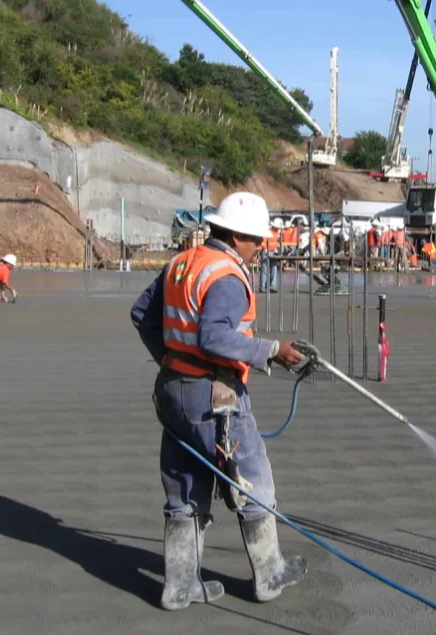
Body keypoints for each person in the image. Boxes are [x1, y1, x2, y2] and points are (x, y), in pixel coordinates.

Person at [130, 191, 308, 611]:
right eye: (257, 239)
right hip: (213, 396)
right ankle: (269, 575)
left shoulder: (183, 263)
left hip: (172, 389)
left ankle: (179, 588)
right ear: (237, 234)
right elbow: (214, 336)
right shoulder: (226, 275)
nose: (261, 246)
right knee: (252, 480)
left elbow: (142, 314)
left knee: (185, 486)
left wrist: (173, 360)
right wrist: (272, 350)